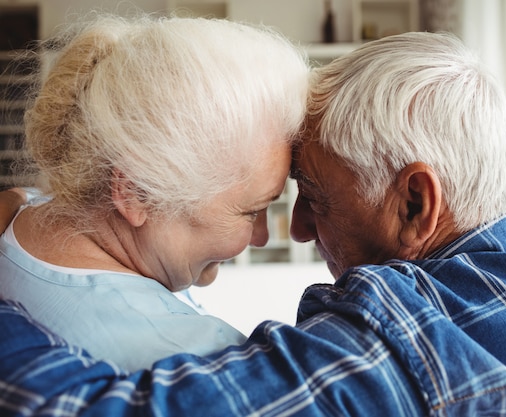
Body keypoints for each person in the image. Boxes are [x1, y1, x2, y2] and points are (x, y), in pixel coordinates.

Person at [1, 31, 506, 416]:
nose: (295, 230)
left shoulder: (383, 348)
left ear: (414, 204)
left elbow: (64, 409)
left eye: (314, 196)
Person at [0, 13, 309, 371]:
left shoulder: (24, 211)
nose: (262, 237)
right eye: (251, 212)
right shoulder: (196, 366)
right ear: (135, 194)